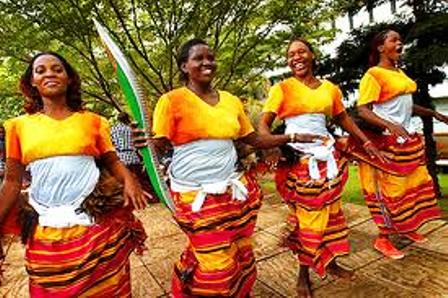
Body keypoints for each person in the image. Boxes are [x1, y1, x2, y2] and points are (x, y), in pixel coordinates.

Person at [134, 38, 322, 297]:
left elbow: (253, 139)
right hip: (193, 195)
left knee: (240, 250)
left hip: (234, 192)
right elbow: (160, 144)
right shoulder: (171, 101)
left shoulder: (231, 101)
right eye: (198, 58)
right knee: (217, 265)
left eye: (210, 57)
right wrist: (144, 143)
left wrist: (291, 137)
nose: (207, 62)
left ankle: (238, 291)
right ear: (184, 66)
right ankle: (188, 287)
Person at [0, 52, 148, 297]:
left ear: (69, 79)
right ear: (32, 83)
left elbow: (112, 161)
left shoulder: (93, 121)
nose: (49, 73)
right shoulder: (18, 126)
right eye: (41, 70)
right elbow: (13, 181)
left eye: (57, 69)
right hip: (47, 231)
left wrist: (129, 180)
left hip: (96, 225)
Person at [258, 37, 385, 297]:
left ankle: (331, 262)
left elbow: (343, 119)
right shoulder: (281, 89)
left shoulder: (330, 89)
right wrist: (270, 147)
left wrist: (365, 142)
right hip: (300, 162)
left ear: (312, 55)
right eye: (291, 54)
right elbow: (263, 124)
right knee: (307, 219)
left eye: (301, 51)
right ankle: (303, 273)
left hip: (328, 160)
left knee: (332, 215)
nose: (296, 57)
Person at [351, 29, 448, 259]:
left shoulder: (399, 73)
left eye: (400, 39)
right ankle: (382, 238)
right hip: (387, 143)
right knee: (389, 192)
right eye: (393, 39)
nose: (399, 42)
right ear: (381, 47)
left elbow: (406, 105)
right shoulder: (373, 75)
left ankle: (407, 228)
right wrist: (390, 125)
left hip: (409, 141)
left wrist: (432, 114)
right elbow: (363, 109)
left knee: (411, 188)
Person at [112, 112, 157, 202]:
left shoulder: (113, 129)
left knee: (128, 181)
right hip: (132, 156)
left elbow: (112, 142)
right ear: (127, 119)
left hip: (121, 157)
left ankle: (133, 199)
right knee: (140, 179)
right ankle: (150, 197)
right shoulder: (131, 128)